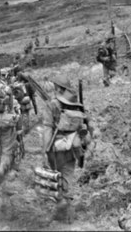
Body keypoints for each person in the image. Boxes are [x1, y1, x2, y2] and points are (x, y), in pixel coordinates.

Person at [42, 75, 93, 222]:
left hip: (56, 147)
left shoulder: (52, 104)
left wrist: (45, 150)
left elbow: (47, 128)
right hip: (74, 147)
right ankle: (68, 215)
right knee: (67, 177)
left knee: (55, 177)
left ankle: (61, 205)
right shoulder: (78, 105)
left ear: (58, 88)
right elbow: (87, 126)